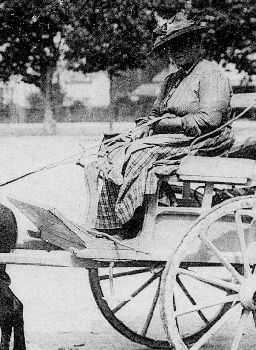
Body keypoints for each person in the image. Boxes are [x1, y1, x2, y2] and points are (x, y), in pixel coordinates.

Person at [90, 12, 234, 237]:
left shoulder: (211, 75)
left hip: (204, 138)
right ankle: (108, 224)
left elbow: (209, 120)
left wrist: (168, 124)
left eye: (182, 45)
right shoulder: (172, 80)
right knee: (114, 147)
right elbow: (156, 114)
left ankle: (130, 222)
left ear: (197, 44)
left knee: (140, 153)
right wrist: (146, 126)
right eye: (172, 47)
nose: (176, 52)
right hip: (173, 137)